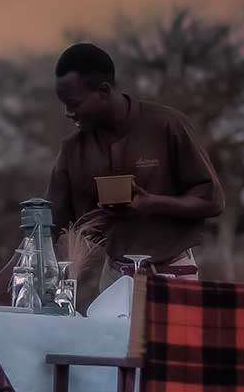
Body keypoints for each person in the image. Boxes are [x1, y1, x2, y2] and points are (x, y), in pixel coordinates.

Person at [45, 43, 224, 292]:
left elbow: (212, 200)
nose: (67, 112)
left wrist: (154, 203)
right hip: (114, 277)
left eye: (74, 103)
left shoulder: (167, 125)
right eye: (64, 104)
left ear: (103, 92)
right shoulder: (73, 149)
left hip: (174, 274)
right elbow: (46, 225)